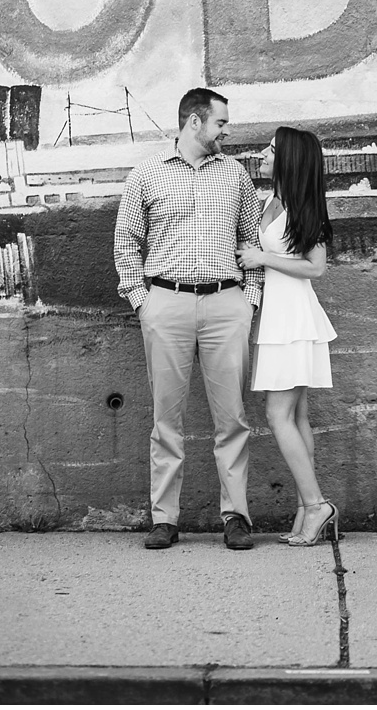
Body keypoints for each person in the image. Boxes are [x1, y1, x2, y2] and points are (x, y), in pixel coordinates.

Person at [113, 87, 264, 552]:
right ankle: (165, 519)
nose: (226, 131)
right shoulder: (146, 176)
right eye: (220, 123)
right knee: (166, 420)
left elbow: (253, 242)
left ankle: (235, 517)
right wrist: (144, 302)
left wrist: (249, 301)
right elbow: (125, 243)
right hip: (166, 305)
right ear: (195, 122)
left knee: (232, 418)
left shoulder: (236, 176)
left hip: (226, 305)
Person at [237, 126, 338, 547]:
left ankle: (316, 506)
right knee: (296, 417)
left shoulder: (300, 204)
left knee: (277, 416)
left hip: (293, 319)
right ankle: (305, 511)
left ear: (289, 159)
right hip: (281, 317)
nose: (263, 152)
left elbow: (316, 267)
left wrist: (263, 257)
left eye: (272, 149)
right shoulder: (272, 200)